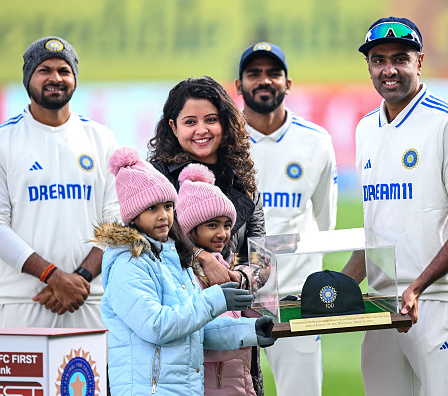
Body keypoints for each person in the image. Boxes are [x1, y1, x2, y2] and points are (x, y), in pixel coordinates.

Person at [341, 17, 448, 396]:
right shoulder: (365, 129)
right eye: (378, 60)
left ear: (419, 61)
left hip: (440, 300)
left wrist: (419, 287)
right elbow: (377, 227)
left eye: (400, 59)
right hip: (383, 303)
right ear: (369, 65)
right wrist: (341, 285)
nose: (388, 70)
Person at [95, 146, 275, 395]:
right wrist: (216, 299)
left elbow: (195, 328)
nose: (164, 216)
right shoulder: (128, 264)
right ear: (133, 215)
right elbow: (157, 326)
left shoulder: (174, 258)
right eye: (152, 208)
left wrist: (249, 330)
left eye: (168, 206)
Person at [147, 76, 267, 394]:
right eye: (191, 122)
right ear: (173, 126)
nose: (202, 130)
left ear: (225, 123)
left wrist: (245, 274)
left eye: (211, 120)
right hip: (176, 331)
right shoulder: (153, 181)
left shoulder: (242, 178)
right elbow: (143, 245)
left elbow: (260, 246)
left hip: (233, 335)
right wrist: (200, 258)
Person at [234, 41, 338, 396]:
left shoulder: (317, 141)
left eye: (273, 73)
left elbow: (326, 223)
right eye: (254, 74)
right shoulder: (222, 141)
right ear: (239, 85)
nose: (264, 81)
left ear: (287, 83)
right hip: (232, 299)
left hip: (297, 299)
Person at [0, 36, 119, 328]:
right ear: (28, 78)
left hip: (88, 299)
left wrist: (80, 278)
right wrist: (53, 276)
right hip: (22, 302)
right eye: (45, 70)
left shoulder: (101, 138)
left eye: (64, 71)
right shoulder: (4, 140)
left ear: (74, 79)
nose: (55, 78)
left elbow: (116, 221)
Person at [177, 162, 266, 396]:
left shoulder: (223, 263)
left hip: (239, 381)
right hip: (210, 384)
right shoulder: (185, 273)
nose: (223, 233)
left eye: (227, 225)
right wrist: (250, 330)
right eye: (212, 225)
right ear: (190, 229)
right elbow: (202, 333)